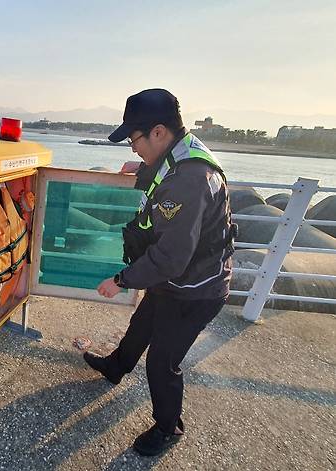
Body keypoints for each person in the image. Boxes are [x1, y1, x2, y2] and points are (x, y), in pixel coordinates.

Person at [84, 89, 236, 456]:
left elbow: (170, 257)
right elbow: (162, 175)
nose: (133, 148)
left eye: (134, 140)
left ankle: (169, 427)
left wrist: (121, 280)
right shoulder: (180, 152)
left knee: (162, 362)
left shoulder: (188, 180)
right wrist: (140, 170)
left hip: (196, 289)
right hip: (179, 280)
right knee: (142, 324)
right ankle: (117, 366)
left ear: (157, 132)